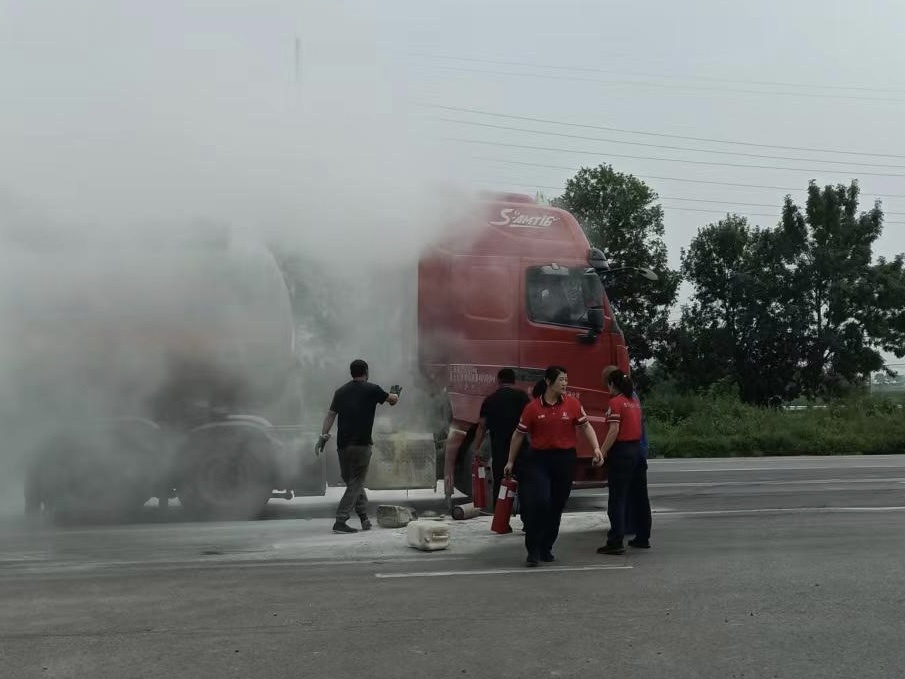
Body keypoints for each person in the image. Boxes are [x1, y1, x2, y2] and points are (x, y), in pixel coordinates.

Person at [504, 365, 602, 567]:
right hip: (539, 460)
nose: (565, 384)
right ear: (548, 382)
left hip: (564, 459)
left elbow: (585, 426)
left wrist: (596, 448)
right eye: (561, 380)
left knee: (556, 504)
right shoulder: (532, 408)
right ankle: (533, 549)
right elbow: (518, 435)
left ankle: (546, 547)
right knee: (539, 502)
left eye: (566, 380)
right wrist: (510, 461)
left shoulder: (573, 404)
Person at [316, 359, 401, 534]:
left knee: (352, 482)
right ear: (366, 372)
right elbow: (392, 400)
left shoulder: (340, 391)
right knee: (356, 483)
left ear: (351, 373)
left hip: (343, 447)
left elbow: (330, 415)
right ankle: (341, 520)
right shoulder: (373, 389)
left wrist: (323, 436)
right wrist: (395, 394)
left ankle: (363, 518)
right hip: (361, 445)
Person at [596, 368, 651, 555]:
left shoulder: (616, 402)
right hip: (638, 452)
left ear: (612, 384)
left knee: (618, 498)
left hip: (623, 452)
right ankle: (643, 537)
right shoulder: (634, 402)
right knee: (641, 497)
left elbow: (613, 431)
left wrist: (601, 453)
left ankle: (615, 540)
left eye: (608, 385)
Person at [471, 368, 531, 512]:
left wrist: (476, 448)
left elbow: (482, 425)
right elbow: (531, 420)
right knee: (525, 483)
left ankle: (501, 519)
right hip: (521, 449)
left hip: (499, 450)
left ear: (499, 381)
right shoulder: (522, 397)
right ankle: (527, 518)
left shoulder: (490, 400)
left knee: (500, 483)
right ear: (514, 381)